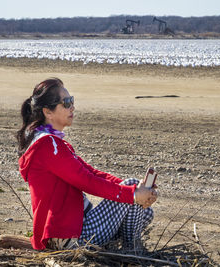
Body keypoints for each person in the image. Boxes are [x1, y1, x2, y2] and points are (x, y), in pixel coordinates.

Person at [17, 78, 158, 251]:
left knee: (145, 210)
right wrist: (132, 194)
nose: (72, 107)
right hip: (70, 237)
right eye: (66, 103)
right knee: (132, 196)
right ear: (48, 112)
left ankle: (122, 248)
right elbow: (86, 181)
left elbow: (92, 173)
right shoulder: (47, 146)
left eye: (72, 101)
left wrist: (138, 189)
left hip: (79, 225)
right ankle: (133, 251)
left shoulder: (55, 144)